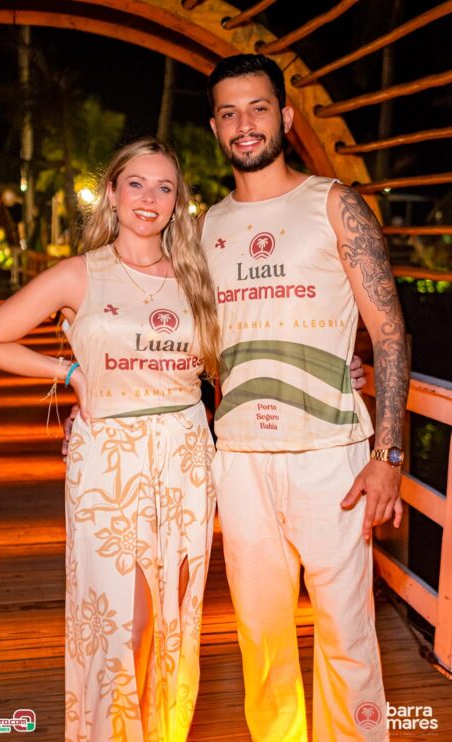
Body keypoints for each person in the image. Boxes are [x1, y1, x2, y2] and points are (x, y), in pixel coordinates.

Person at [0, 138, 221, 741]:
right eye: (136, 183)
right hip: (110, 460)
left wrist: (346, 371)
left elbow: (233, 359)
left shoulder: (197, 276)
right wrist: (71, 373)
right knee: (124, 626)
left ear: (177, 201)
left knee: (175, 620)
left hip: (186, 454)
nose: (149, 198)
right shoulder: (80, 273)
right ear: (112, 192)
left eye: (164, 187)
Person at [199, 54, 409, 741]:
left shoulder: (333, 203)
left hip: (331, 455)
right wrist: (92, 405)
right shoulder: (205, 226)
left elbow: (389, 333)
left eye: (258, 108)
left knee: (347, 634)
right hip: (240, 459)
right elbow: (191, 344)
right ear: (215, 127)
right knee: (260, 638)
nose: (244, 123)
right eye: (229, 112)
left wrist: (388, 455)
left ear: (285, 117)